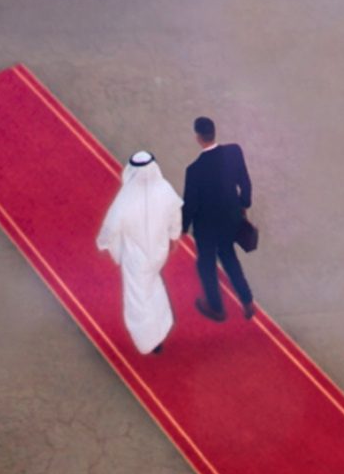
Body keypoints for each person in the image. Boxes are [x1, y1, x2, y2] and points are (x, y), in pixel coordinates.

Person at [96, 150, 184, 355]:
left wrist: (102, 243)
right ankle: (163, 324)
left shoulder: (126, 198)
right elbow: (175, 215)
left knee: (138, 299)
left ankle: (150, 340)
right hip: (159, 253)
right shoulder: (164, 189)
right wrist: (174, 236)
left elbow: (111, 226)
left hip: (137, 260)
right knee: (153, 285)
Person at [182, 116, 255, 322]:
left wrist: (182, 228)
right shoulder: (234, 152)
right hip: (231, 219)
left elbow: (190, 204)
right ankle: (247, 301)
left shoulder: (194, 170)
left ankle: (216, 307)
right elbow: (245, 182)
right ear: (214, 132)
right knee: (229, 257)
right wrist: (244, 204)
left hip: (206, 228)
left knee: (205, 264)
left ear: (198, 137)